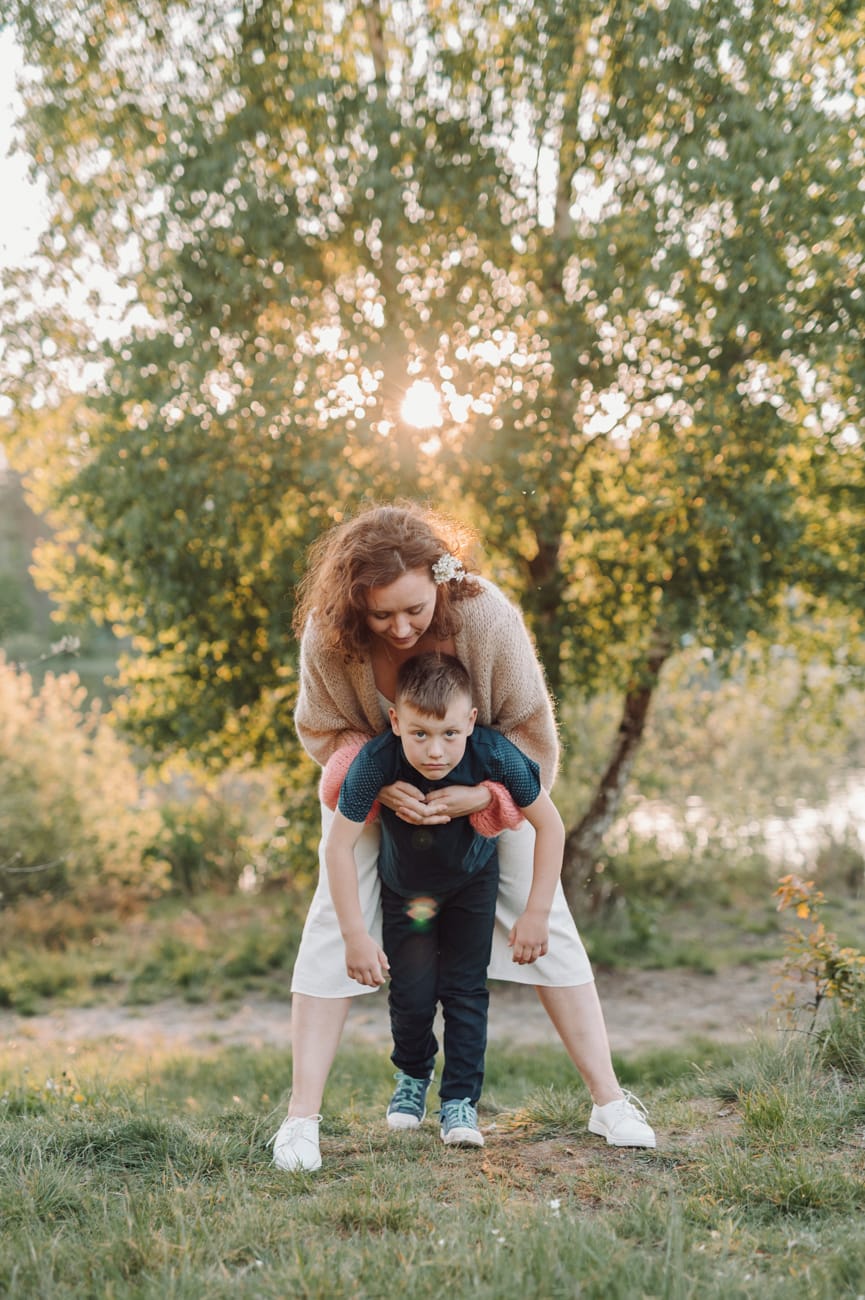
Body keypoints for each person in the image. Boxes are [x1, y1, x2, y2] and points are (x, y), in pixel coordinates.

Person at [270, 502, 655, 1173]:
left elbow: (528, 728)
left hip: (486, 789)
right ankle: (301, 1119)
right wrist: (377, 782)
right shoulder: (327, 636)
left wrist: (486, 797)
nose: (400, 628)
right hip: (372, 791)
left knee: (548, 925)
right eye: (381, 615)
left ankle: (609, 1102)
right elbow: (322, 729)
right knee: (334, 922)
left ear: (439, 579)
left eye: (413, 609)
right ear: (353, 604)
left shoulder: (485, 617)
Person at [325, 652, 565, 1149]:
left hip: (470, 886)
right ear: (396, 721)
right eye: (420, 734)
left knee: (464, 992)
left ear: (471, 721)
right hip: (405, 892)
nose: (435, 751)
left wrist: (537, 912)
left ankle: (460, 1102)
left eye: (450, 734)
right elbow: (338, 846)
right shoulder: (377, 762)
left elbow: (551, 825)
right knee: (411, 997)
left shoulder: (494, 754)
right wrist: (354, 936)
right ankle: (413, 1076)